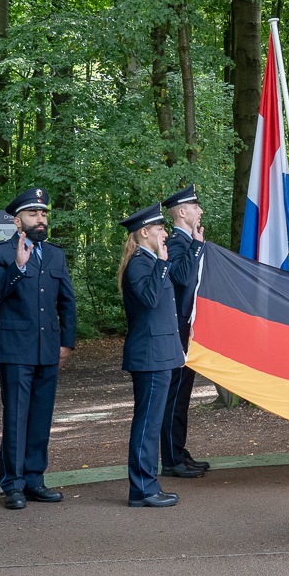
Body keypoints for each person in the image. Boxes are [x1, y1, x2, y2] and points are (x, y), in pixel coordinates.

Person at [0, 188, 76, 510]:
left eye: (44, 214)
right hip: (14, 349)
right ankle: (12, 484)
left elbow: (67, 300)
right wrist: (18, 268)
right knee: (17, 418)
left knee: (41, 417)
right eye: (34, 214)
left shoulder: (55, 255)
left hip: (48, 348)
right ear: (17, 220)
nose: (41, 219)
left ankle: (35, 479)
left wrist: (67, 341)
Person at [118, 203, 182, 507]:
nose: (165, 234)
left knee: (152, 422)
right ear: (145, 233)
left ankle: (146, 485)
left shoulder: (150, 261)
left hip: (161, 352)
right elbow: (150, 298)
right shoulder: (140, 264)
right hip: (149, 355)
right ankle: (143, 488)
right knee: (147, 423)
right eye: (160, 229)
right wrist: (162, 262)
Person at [160, 185, 209, 478]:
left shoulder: (185, 241)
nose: (199, 211)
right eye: (195, 207)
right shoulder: (177, 243)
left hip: (187, 330)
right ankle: (170, 458)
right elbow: (181, 276)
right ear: (181, 212)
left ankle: (178, 450)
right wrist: (197, 245)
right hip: (176, 331)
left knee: (182, 395)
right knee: (174, 396)